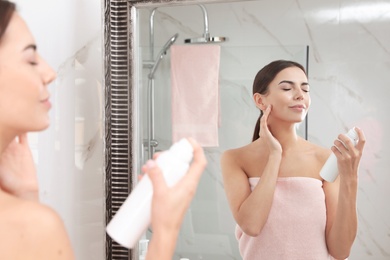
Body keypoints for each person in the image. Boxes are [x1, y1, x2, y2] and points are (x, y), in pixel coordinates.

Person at [0, 1, 207, 259]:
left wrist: (27, 198)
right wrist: (166, 229)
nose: (50, 73)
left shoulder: (26, 221)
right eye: (31, 60)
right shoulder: (32, 225)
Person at [221, 60, 365, 260]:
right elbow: (252, 225)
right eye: (287, 88)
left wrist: (350, 178)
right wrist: (274, 155)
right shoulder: (235, 159)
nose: (300, 95)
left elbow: (340, 251)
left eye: (305, 89)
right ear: (260, 101)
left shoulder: (324, 159)